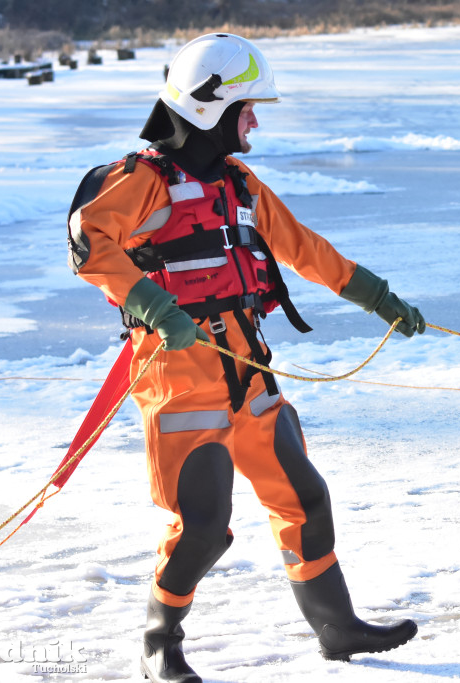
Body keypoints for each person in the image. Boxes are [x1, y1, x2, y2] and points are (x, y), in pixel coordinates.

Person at [66, 33, 425, 683]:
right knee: (204, 526)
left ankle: (336, 626)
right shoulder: (142, 182)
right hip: (178, 375)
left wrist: (380, 297)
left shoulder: (239, 184)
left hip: (248, 368)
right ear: (209, 107)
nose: (255, 119)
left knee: (306, 498)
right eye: (247, 106)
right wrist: (155, 305)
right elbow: (89, 242)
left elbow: (303, 246)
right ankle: (159, 642)